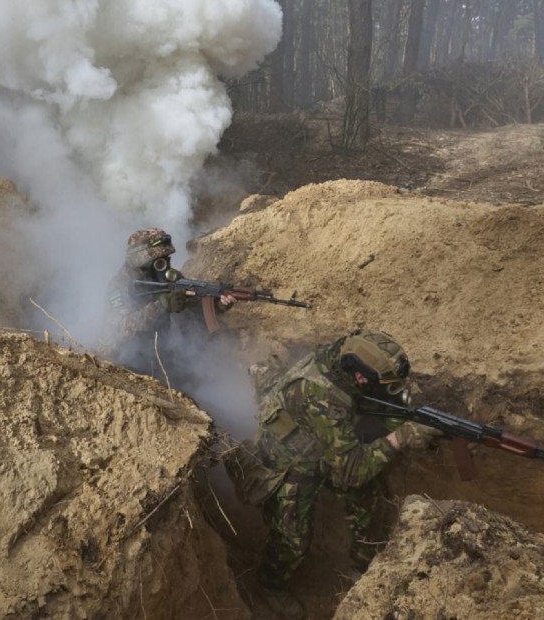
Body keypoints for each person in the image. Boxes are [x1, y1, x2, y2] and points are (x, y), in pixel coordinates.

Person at [225, 328, 440, 619]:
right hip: (289, 464)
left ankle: (364, 565)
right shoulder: (318, 396)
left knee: (370, 497)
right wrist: (401, 437)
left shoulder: (339, 357)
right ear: (361, 377)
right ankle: (269, 585)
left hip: (325, 448)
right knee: (292, 539)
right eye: (379, 384)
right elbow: (351, 471)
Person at [100, 228, 235, 377]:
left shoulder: (169, 277)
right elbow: (121, 330)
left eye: (166, 259)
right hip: (127, 361)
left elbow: (192, 310)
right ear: (142, 264)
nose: (165, 266)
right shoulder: (120, 286)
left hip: (165, 353)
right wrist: (161, 306)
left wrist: (217, 306)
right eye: (159, 262)